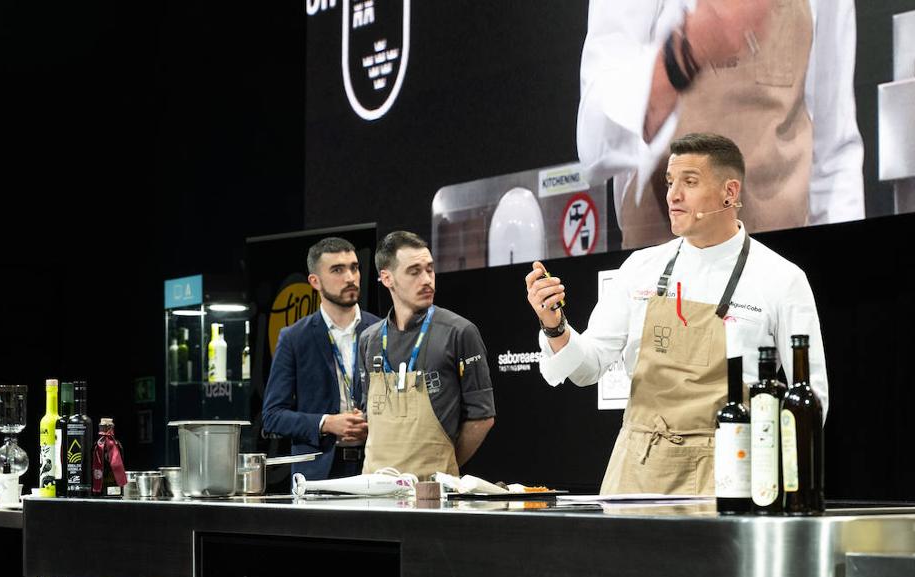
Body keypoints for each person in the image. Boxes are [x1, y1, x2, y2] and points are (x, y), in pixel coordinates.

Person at [526, 132, 828, 495]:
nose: (672, 195)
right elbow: (588, 367)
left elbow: (811, 398)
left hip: (730, 472)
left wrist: (769, 475)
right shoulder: (640, 268)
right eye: (670, 182)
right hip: (637, 470)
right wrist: (554, 325)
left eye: (690, 182)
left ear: (729, 193)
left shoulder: (781, 279)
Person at [577, 0, 864, 248]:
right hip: (668, 283)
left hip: (778, 275)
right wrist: (689, 51)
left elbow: (834, 156)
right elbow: (594, 142)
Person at [357, 231, 495, 477]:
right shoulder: (369, 339)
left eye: (429, 270)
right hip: (373, 492)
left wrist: (442, 468)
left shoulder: (460, 332)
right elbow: (369, 415)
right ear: (387, 278)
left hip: (432, 494)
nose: (427, 280)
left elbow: (482, 417)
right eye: (414, 271)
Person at [262, 237, 381, 480]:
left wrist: (373, 424)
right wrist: (326, 423)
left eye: (354, 267)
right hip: (319, 473)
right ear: (315, 281)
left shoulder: (382, 331)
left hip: (375, 466)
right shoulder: (294, 338)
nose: (350, 277)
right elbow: (272, 416)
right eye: (337, 270)